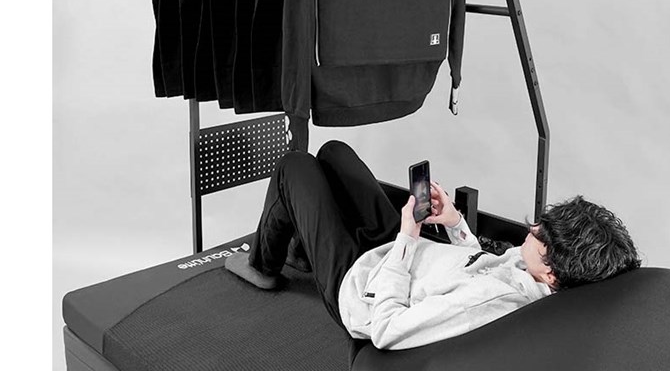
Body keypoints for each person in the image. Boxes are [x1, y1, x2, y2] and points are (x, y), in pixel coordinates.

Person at [225, 140, 641, 350]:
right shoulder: (540, 278)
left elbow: (385, 329)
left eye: (540, 236)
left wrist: (408, 236)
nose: (531, 229)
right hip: (402, 255)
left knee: (295, 166)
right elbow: (481, 266)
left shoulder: (488, 301)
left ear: (551, 271)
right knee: (335, 153)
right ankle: (303, 248)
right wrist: (455, 224)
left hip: (362, 286)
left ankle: (262, 266)